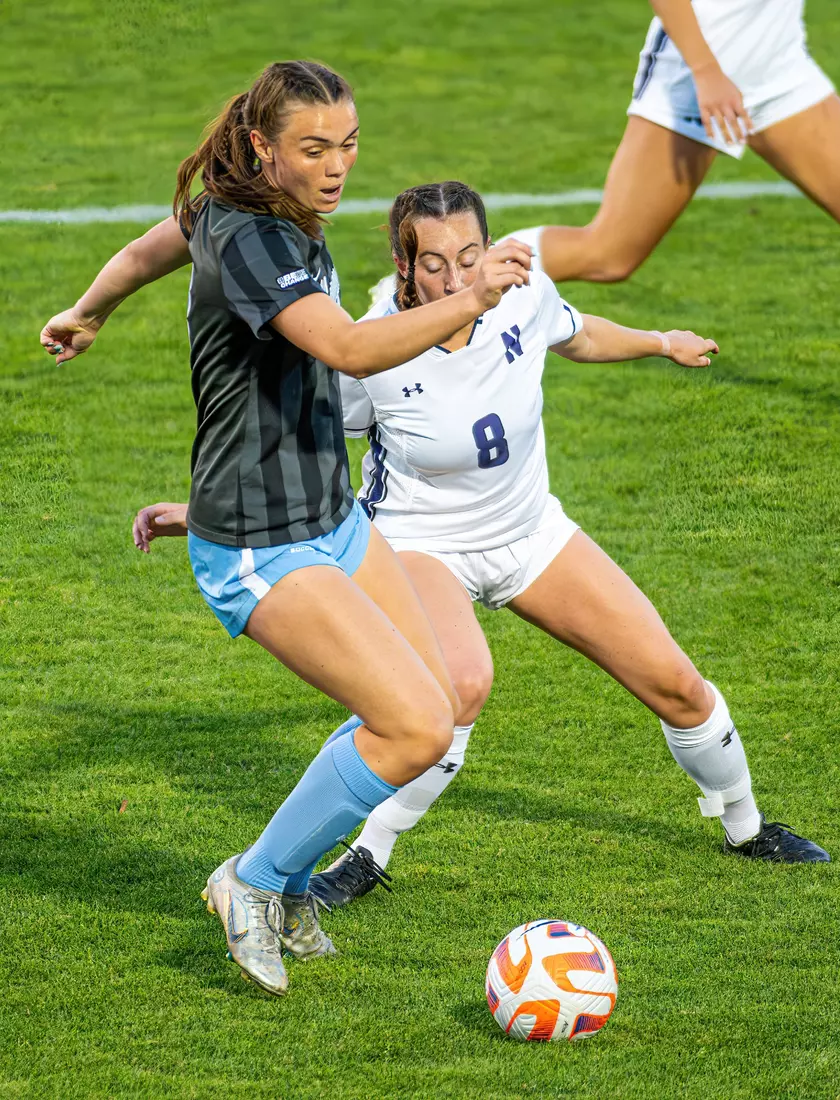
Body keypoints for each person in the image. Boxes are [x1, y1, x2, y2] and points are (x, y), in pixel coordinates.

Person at [133, 181, 830, 915]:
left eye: (470, 254)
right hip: (420, 544)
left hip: (532, 532)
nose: (458, 276)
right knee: (457, 687)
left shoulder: (520, 291)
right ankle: (364, 855)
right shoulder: (370, 346)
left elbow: (576, 332)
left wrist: (661, 342)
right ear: (403, 268)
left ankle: (747, 829)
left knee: (676, 685)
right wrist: (212, 514)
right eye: (434, 263)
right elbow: (295, 444)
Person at [39, 64, 532, 997]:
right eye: (315, 149)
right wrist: (467, 300)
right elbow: (346, 347)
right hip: (263, 545)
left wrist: (90, 307)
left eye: (347, 145)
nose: (338, 166)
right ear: (265, 148)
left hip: (330, 517)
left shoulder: (238, 208)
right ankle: (253, 882)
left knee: (440, 692)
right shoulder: (258, 238)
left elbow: (156, 245)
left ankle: (294, 878)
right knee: (414, 723)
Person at [502, 0, 840, 287]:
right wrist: (706, 72)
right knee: (608, 254)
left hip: (780, 70)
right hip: (693, 73)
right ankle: (469, 281)